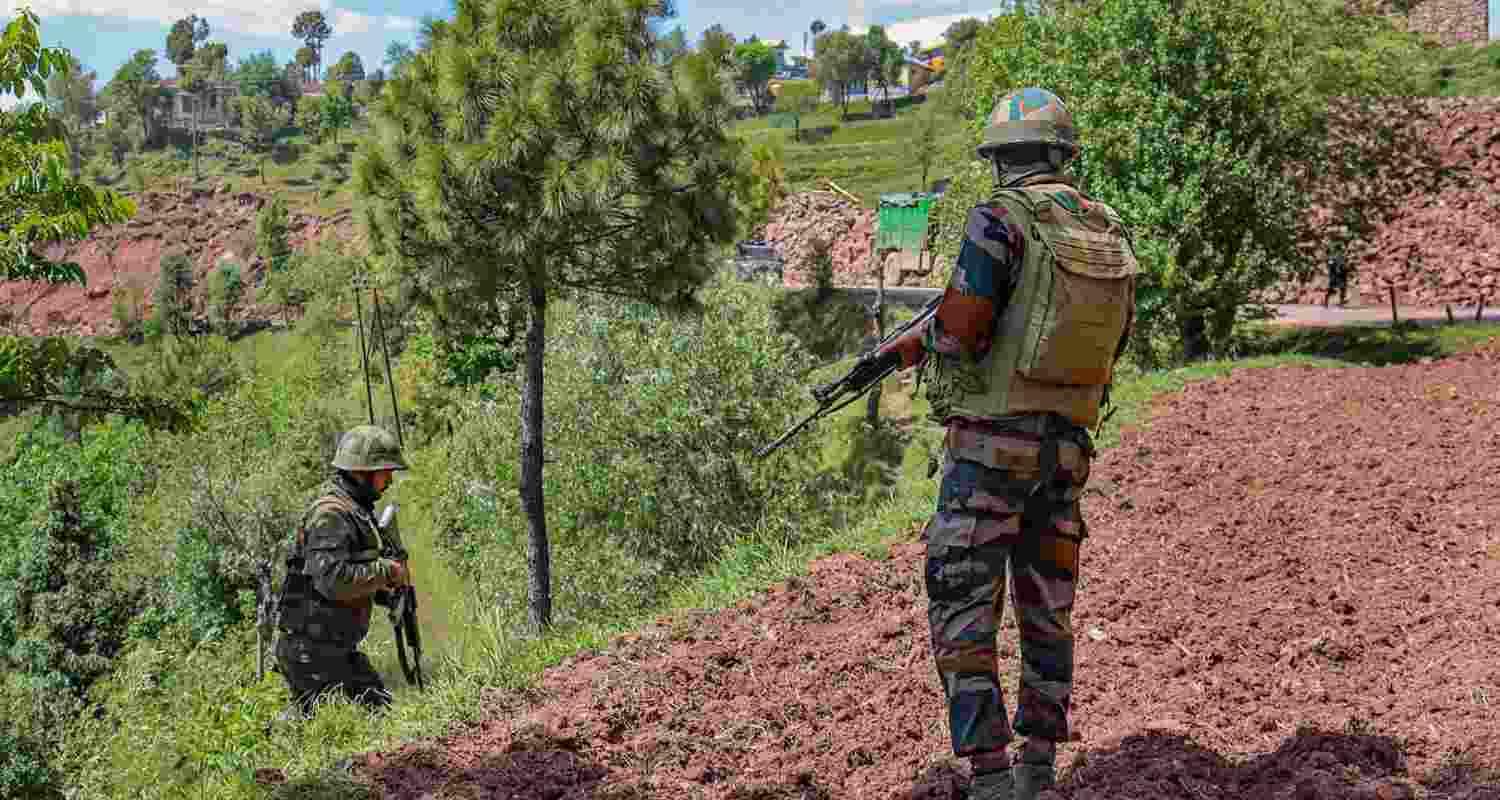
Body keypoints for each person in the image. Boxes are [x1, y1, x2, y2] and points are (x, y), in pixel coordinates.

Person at [864, 88, 1138, 800]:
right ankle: (1038, 765)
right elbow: (1113, 341)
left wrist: (920, 342)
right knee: (1047, 606)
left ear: (999, 160)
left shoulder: (999, 220)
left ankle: (990, 776)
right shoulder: (1107, 228)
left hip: (990, 452)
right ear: (1062, 155)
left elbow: (961, 333)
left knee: (962, 598)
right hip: (1067, 450)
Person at [274, 424, 411, 717]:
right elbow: (333, 581)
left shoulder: (354, 511)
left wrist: (386, 591)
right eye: (385, 472)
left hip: (331, 650)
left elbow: (351, 577)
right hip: (312, 653)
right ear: (361, 472)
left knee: (376, 714)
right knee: (358, 722)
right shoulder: (331, 514)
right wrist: (387, 572)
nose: (389, 480)